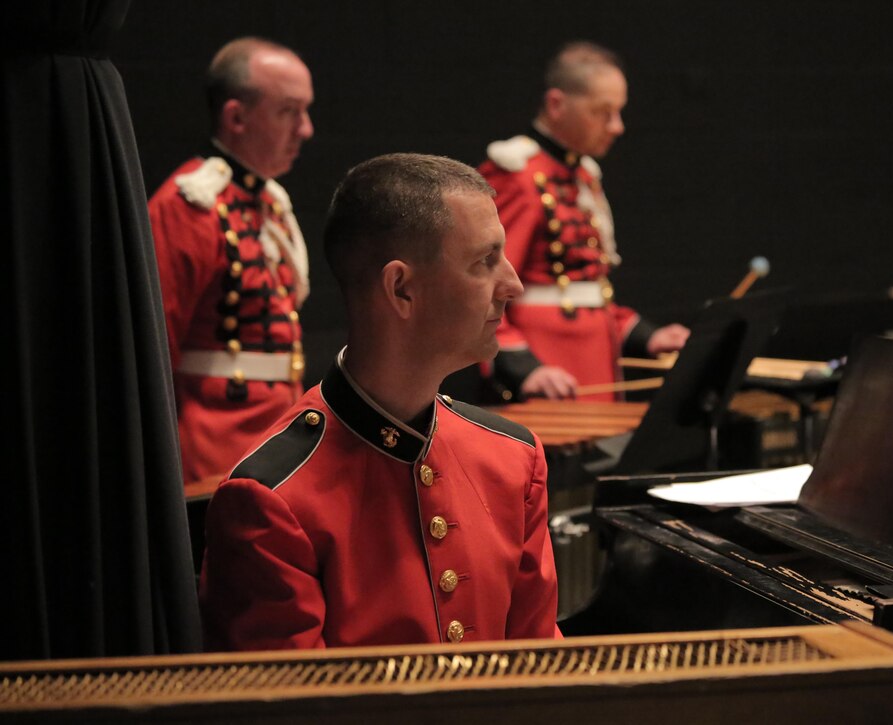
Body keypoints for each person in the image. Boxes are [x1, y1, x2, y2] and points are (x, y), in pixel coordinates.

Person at [199, 153, 562, 650]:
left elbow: (546, 670)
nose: (513, 285)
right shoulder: (273, 500)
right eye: (486, 261)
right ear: (401, 288)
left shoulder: (515, 460)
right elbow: (286, 718)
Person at [479, 41, 689, 401]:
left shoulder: (584, 177)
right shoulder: (519, 176)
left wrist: (645, 335)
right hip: (548, 375)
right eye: (602, 112)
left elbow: (584, 287)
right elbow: (483, 286)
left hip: (595, 371)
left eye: (619, 112)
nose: (617, 126)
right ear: (556, 104)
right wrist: (523, 367)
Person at [148, 37, 315, 487]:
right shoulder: (188, 205)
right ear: (236, 117)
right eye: (289, 111)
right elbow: (155, 349)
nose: (306, 129)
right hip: (212, 445)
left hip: (276, 430)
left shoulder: (268, 202)